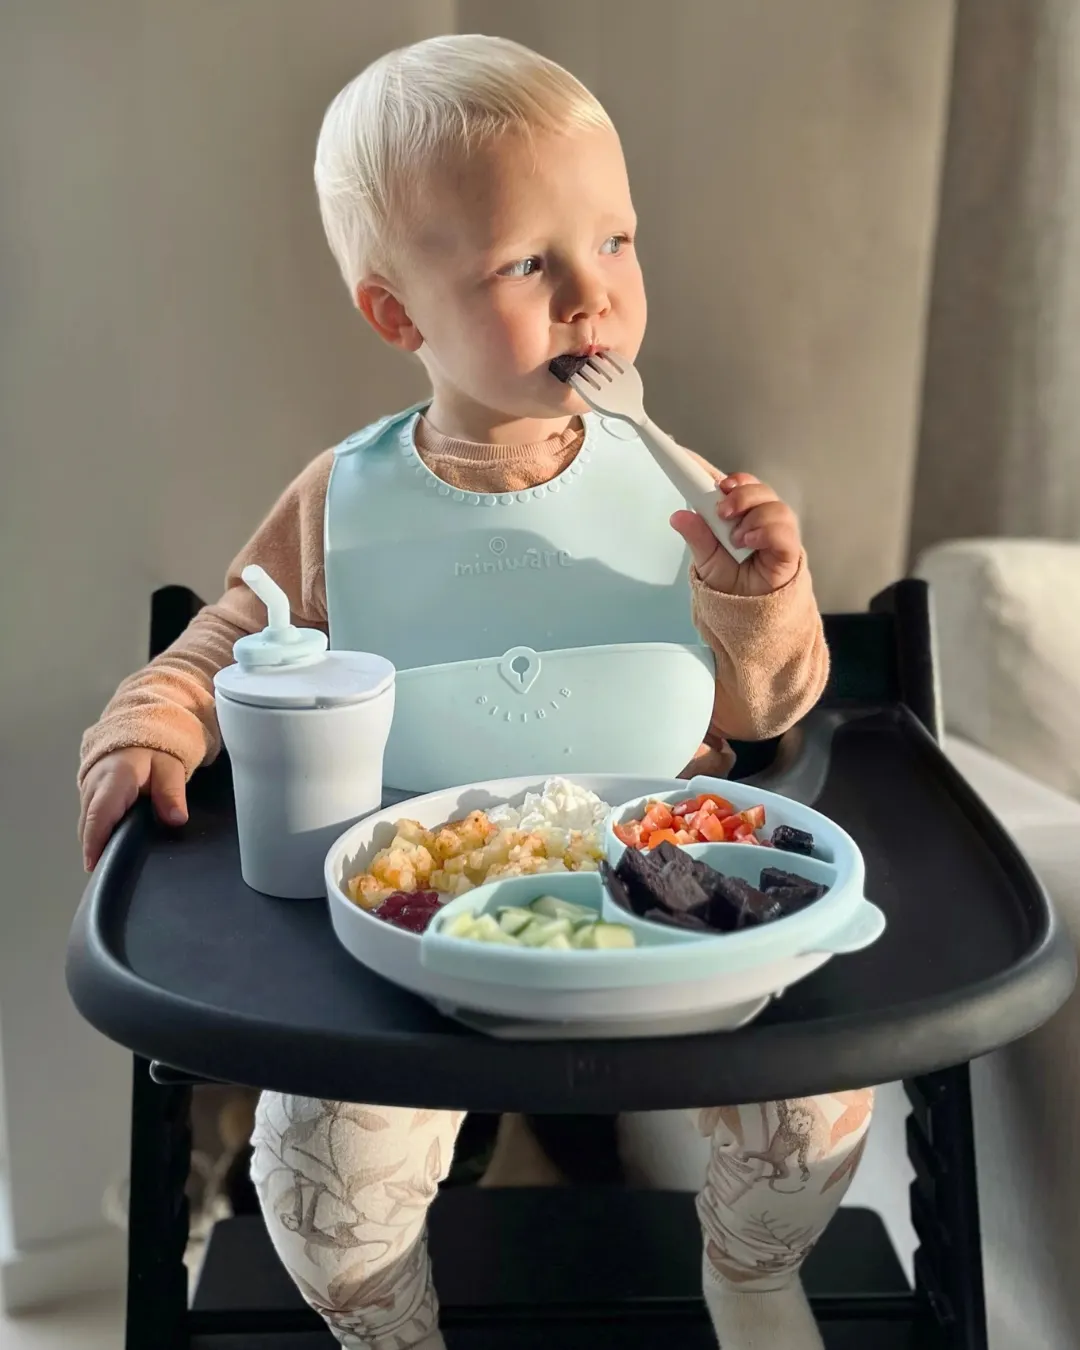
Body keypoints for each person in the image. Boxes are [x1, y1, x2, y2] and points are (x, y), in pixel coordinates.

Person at [77, 34, 872, 1350]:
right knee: (315, 1172)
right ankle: (389, 1329)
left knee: (816, 1103)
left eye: (615, 242)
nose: (592, 295)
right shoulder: (344, 498)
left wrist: (761, 593)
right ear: (398, 314)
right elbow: (240, 634)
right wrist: (157, 717)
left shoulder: (676, 484)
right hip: (419, 927)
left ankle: (750, 1271)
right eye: (527, 264)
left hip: (676, 897)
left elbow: (770, 707)